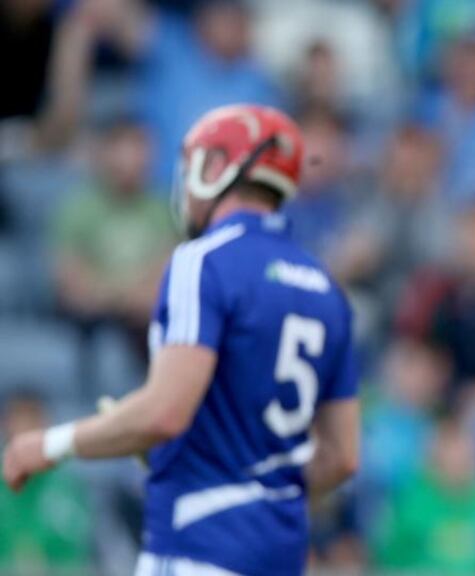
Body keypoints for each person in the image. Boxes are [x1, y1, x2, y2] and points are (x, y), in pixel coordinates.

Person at [3, 104, 361, 576]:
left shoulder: (202, 260)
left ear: (215, 169)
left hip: (199, 545)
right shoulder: (326, 287)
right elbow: (341, 457)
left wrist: (50, 444)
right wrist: (255, 498)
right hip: (281, 554)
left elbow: (166, 413)